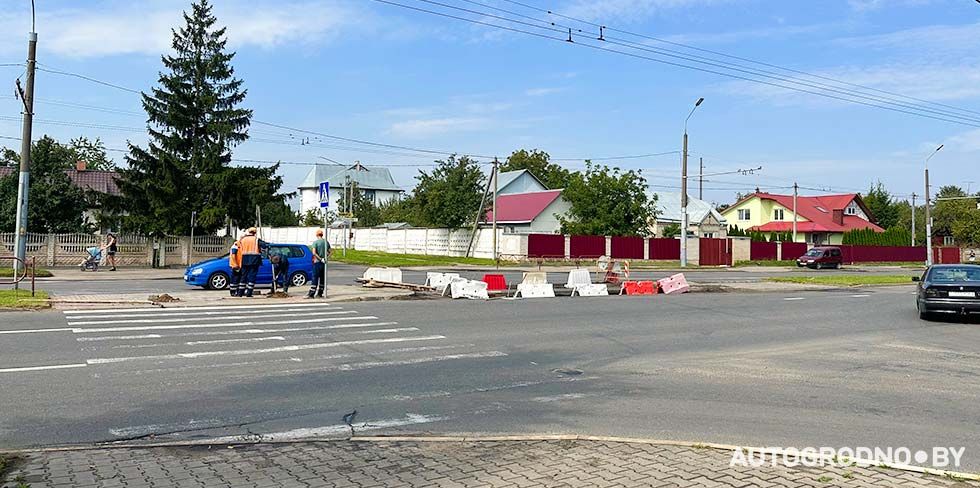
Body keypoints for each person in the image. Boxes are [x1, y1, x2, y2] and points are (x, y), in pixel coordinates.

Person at [237, 227, 267, 297]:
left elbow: (238, 246)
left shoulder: (243, 239)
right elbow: (264, 246)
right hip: (254, 260)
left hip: (244, 259)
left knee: (243, 276)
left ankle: (240, 293)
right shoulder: (256, 239)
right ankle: (249, 293)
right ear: (255, 233)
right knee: (252, 276)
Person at [307, 229, 331, 298]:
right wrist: (326, 258)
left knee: (315, 278)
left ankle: (311, 294)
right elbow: (330, 251)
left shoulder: (315, 242)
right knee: (322, 278)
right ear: (322, 235)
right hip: (324, 263)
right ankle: (320, 293)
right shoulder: (326, 242)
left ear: (317, 235)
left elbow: (314, 252)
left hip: (317, 262)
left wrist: (320, 259)